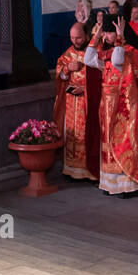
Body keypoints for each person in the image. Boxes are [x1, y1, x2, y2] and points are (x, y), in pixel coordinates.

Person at [94, 17, 138, 195]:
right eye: (106, 32)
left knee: (124, 141)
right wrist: (95, 39)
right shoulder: (106, 52)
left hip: (125, 105)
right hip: (107, 105)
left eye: (109, 31)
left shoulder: (129, 51)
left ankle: (128, 184)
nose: (107, 36)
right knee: (108, 142)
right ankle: (111, 184)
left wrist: (119, 37)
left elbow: (117, 61)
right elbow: (88, 60)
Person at [52, 22, 95, 180]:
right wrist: (67, 69)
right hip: (71, 103)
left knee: (87, 136)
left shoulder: (93, 53)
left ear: (87, 36)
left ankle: (90, 171)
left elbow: (101, 78)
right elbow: (60, 77)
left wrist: (85, 88)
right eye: (72, 38)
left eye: (78, 38)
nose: (75, 41)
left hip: (87, 102)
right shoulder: (68, 54)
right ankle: (71, 170)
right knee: (71, 135)